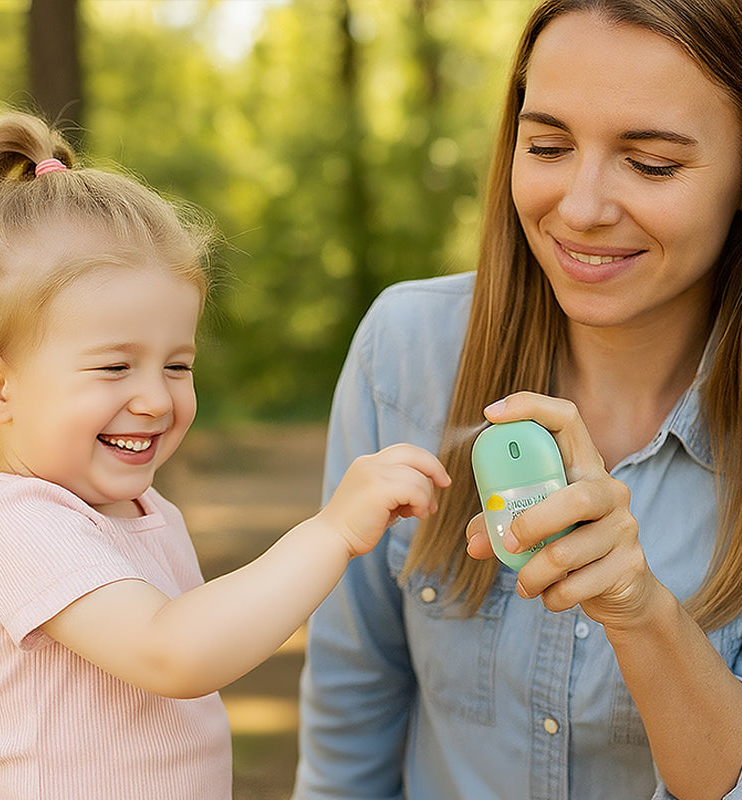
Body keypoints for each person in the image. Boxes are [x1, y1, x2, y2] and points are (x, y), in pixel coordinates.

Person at [292, 1, 742, 799]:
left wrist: (642, 614)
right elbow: (349, 721)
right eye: (549, 147)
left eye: (651, 164)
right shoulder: (406, 352)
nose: (581, 208)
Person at [0, 110, 451, 800]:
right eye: (115, 367)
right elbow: (173, 652)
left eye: (177, 365)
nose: (156, 399)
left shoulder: (143, 511)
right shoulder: (18, 524)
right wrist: (331, 532)